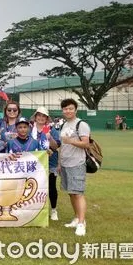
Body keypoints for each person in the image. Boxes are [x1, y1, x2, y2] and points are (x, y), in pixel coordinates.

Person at [59, 98, 90, 236]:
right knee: (71, 192)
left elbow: (86, 144)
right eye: (65, 109)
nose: (68, 111)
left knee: (78, 193)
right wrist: (60, 163)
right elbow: (62, 146)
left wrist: (70, 141)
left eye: (71, 108)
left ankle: (82, 223)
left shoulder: (81, 124)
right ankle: (77, 218)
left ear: (75, 109)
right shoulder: (64, 125)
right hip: (65, 163)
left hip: (77, 163)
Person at [31, 106, 60, 221]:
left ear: (47, 118)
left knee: (51, 187)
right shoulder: (29, 129)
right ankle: (35, 210)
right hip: (33, 164)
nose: (41, 118)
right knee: (34, 187)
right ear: (35, 116)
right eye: (39, 115)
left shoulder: (51, 130)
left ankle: (54, 210)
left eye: (44, 116)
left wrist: (50, 138)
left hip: (50, 163)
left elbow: (56, 146)